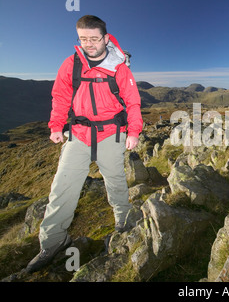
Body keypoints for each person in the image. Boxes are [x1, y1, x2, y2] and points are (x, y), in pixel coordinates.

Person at [26, 15, 143, 273]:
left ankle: (123, 222)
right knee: (62, 187)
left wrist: (133, 132)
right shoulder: (71, 64)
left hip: (111, 134)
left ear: (105, 37)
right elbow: (60, 95)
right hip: (77, 134)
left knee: (115, 181)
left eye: (94, 38)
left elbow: (133, 101)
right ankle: (54, 242)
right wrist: (56, 126)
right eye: (83, 39)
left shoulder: (119, 67)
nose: (89, 44)